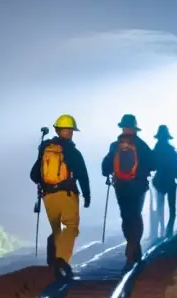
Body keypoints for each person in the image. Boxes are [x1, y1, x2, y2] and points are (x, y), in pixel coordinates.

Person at [29, 114, 90, 278]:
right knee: (71, 227)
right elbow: (83, 175)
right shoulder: (72, 151)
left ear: (56, 130)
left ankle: (53, 263)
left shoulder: (45, 149)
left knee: (56, 230)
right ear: (71, 132)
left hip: (48, 196)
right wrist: (87, 196)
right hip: (67, 194)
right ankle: (62, 260)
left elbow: (34, 175)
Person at [101, 113, 153, 266]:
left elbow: (105, 167)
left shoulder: (114, 146)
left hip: (120, 186)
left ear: (122, 128)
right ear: (135, 128)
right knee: (136, 215)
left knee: (126, 216)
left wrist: (112, 171)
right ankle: (133, 247)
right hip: (138, 186)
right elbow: (154, 163)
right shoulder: (142, 145)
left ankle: (131, 247)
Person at [151, 124, 177, 240]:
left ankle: (163, 230)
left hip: (159, 181)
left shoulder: (155, 150)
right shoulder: (172, 150)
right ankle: (168, 231)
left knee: (160, 208)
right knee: (172, 209)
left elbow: (152, 166)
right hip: (170, 181)